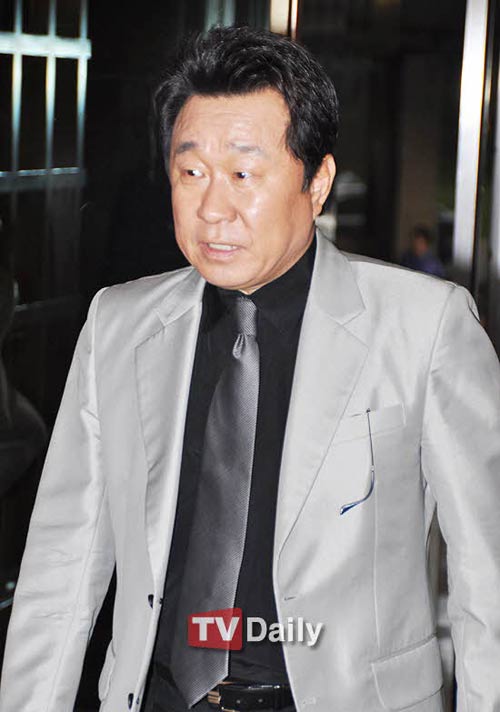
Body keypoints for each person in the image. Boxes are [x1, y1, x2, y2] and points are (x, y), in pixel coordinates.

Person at [1, 25, 500, 712]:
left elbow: (488, 574)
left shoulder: (425, 325)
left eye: (243, 174)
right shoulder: (119, 324)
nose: (212, 208)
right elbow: (61, 563)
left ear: (316, 182)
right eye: (191, 172)